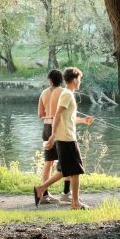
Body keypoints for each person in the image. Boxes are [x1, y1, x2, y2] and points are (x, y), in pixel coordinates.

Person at [32, 67, 94, 210]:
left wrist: (84, 121)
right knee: (76, 170)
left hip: (67, 136)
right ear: (74, 79)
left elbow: (68, 118)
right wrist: (53, 135)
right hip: (66, 138)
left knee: (66, 170)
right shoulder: (66, 94)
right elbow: (58, 115)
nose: (80, 82)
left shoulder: (66, 94)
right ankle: (75, 203)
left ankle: (41, 189)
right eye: (79, 79)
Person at [36, 69, 69, 205]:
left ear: (50, 79)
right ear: (61, 79)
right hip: (58, 129)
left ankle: (44, 195)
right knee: (67, 161)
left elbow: (40, 114)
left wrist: (49, 116)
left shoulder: (44, 93)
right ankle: (66, 193)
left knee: (48, 162)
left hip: (46, 128)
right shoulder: (63, 92)